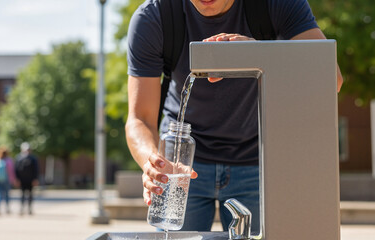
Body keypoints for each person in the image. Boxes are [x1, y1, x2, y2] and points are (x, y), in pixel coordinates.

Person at [125, 0, 344, 233]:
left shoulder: (278, 4)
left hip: (257, 162)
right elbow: (140, 119)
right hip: (180, 165)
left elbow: (331, 79)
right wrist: (153, 163)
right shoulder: (155, 16)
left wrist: (260, 54)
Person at [15, 142, 39, 215]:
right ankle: (22, 209)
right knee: (22, 195)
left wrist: (35, 179)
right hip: (22, 180)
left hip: (30, 180)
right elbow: (16, 169)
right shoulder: (19, 158)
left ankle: (29, 209)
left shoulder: (33, 158)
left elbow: (36, 169)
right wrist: (17, 179)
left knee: (30, 195)